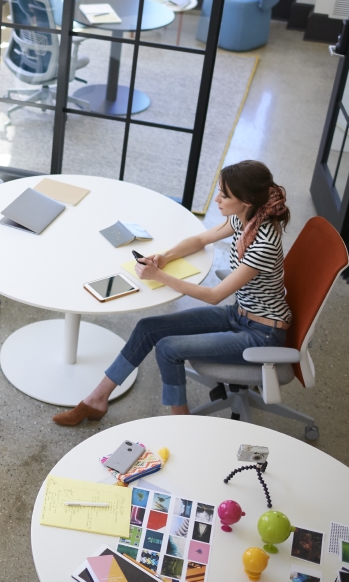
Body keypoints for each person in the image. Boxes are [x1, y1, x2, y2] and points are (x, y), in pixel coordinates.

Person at [52, 160, 292, 426]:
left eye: (224, 195)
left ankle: (181, 424)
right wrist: (165, 257)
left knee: (168, 348)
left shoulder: (263, 244)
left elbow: (214, 296)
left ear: (246, 201)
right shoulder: (245, 219)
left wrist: (159, 276)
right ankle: (97, 399)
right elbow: (200, 239)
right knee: (147, 328)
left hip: (262, 333)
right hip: (240, 314)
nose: (217, 200)